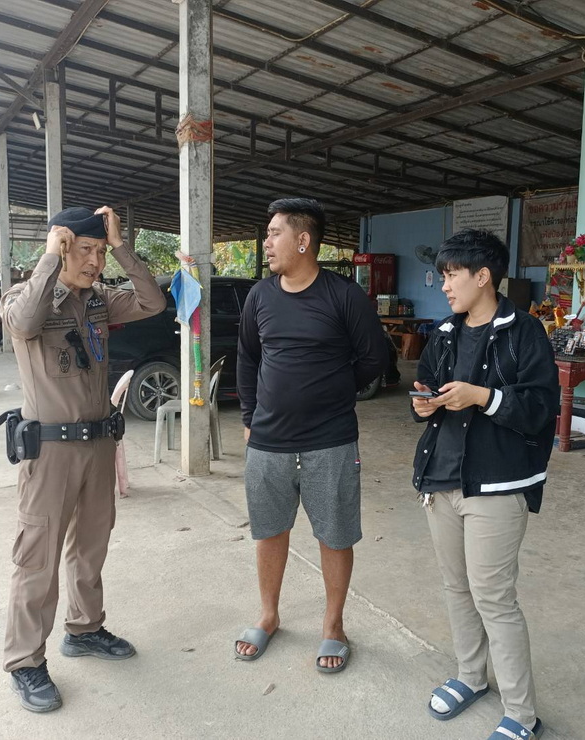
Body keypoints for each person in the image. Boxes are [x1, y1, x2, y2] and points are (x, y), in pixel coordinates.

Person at [0, 205, 167, 712]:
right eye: (86, 250)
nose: (95, 262)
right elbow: (24, 323)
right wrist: (50, 258)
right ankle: (25, 662)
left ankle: (85, 629)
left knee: (90, 547)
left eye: (100, 252)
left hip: (98, 446)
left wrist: (121, 246)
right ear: (61, 247)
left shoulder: (99, 301)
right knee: (38, 558)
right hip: (50, 451)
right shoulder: (25, 298)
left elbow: (153, 301)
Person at [410, 229, 558, 740]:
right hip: (442, 478)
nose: (444, 285)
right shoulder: (445, 332)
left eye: (452, 275)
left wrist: (483, 396)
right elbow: (426, 386)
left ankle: (521, 715)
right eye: (444, 276)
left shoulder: (525, 332)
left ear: (483, 276)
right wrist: (424, 404)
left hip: (498, 483)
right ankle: (471, 676)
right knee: (457, 587)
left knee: (494, 598)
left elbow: (541, 409)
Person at [234, 197, 388, 673]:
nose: (267, 241)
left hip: (331, 440)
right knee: (269, 531)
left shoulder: (344, 295)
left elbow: (374, 358)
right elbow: (247, 358)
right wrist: (249, 416)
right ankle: (268, 615)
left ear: (303, 241)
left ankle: (333, 625)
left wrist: (333, 391)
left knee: (335, 536)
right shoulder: (260, 296)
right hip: (268, 441)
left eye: (274, 233)